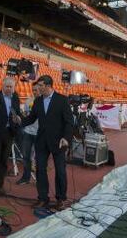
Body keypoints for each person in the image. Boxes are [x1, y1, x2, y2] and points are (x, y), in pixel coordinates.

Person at [18, 75, 73, 210]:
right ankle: (43, 198)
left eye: (41, 85)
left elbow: (69, 122)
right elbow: (31, 118)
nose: (38, 88)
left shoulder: (62, 100)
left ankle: (61, 199)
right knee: (40, 170)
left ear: (48, 85)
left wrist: (66, 138)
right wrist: (20, 121)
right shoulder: (37, 101)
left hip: (58, 141)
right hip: (41, 141)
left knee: (60, 171)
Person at [16, 82, 40, 185]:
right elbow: (26, 115)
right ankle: (26, 177)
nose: (35, 92)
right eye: (33, 90)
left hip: (40, 133)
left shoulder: (45, 102)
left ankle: (40, 178)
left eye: (37, 90)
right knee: (26, 156)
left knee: (40, 158)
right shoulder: (28, 101)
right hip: (28, 131)